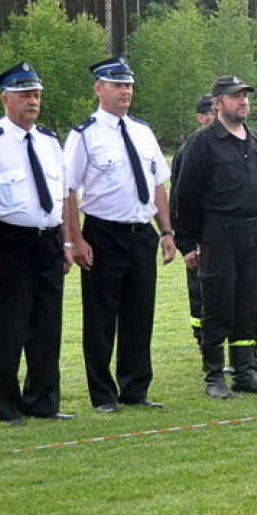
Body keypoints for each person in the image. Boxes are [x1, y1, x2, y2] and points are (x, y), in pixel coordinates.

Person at [63, 55, 177, 413]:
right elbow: (68, 190)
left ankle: (135, 389)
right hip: (103, 234)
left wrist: (168, 231)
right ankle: (103, 395)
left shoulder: (143, 132)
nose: (125, 91)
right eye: (117, 85)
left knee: (139, 315)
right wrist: (76, 239)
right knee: (100, 319)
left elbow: (159, 184)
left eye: (128, 85)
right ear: (99, 89)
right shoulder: (84, 136)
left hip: (142, 234)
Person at [0, 61, 74, 426]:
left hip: (49, 241)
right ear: (5, 99)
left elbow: (61, 196)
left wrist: (67, 244)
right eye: (25, 94)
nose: (33, 101)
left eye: (37, 94)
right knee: (9, 328)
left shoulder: (48, 141)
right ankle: (8, 407)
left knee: (47, 327)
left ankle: (43, 401)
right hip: (10, 242)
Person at [175, 76, 257, 399]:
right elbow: (184, 197)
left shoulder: (254, 139)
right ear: (218, 103)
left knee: (247, 304)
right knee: (218, 304)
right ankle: (213, 376)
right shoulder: (203, 142)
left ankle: (244, 372)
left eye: (245, 95)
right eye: (235, 97)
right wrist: (188, 243)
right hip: (218, 233)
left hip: (252, 231)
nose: (243, 101)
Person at [170, 93, 215, 349]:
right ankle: (205, 346)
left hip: (228, 235)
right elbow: (178, 201)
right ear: (201, 118)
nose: (217, 117)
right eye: (211, 113)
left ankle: (246, 355)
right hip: (199, 239)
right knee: (201, 295)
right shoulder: (188, 151)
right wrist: (186, 244)